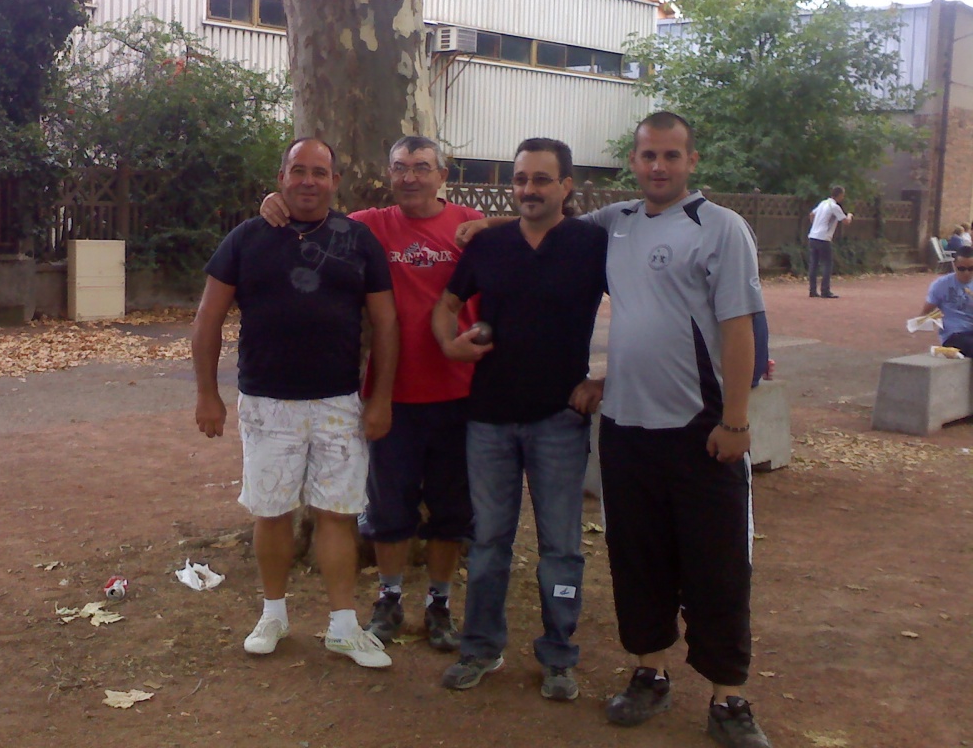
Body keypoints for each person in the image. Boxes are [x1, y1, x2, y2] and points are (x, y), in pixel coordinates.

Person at [575, 111, 771, 748]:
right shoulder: (617, 222)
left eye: (670, 155)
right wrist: (479, 224)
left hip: (702, 432)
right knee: (638, 561)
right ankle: (649, 673)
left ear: (691, 161)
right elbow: (545, 228)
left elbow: (738, 329)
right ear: (632, 161)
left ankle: (728, 697)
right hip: (627, 431)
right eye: (647, 155)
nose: (658, 166)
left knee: (718, 570)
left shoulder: (721, 227)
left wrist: (736, 421)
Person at [260, 135, 482, 651]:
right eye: (400, 167)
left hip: (461, 394)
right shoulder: (369, 226)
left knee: (451, 511)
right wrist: (272, 202)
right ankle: (389, 598)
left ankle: (440, 604)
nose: (410, 177)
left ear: (442, 175)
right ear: (389, 174)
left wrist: (495, 224)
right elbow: (309, 216)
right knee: (388, 510)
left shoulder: (470, 225)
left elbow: (532, 229)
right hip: (392, 396)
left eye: (422, 167)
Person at [191, 137, 400, 669]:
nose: (309, 181)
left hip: (339, 403)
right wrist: (207, 393)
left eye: (320, 172)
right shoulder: (246, 238)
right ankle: (273, 615)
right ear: (281, 177)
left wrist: (380, 399)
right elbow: (208, 318)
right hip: (267, 403)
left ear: (335, 181)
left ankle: (343, 627)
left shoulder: (358, 240)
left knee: (337, 514)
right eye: (298, 170)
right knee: (271, 511)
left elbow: (386, 323)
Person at [431, 138, 607, 703]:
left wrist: (606, 380)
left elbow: (638, 309)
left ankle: (559, 655)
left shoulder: (592, 245)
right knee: (487, 543)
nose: (529, 189)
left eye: (541, 179)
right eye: (521, 179)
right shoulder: (490, 244)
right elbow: (447, 306)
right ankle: (481, 648)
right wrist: (449, 344)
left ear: (566, 186)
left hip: (560, 419)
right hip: (488, 419)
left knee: (562, 547)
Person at [920, 246, 973, 356]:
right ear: (954, 265)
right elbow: (925, 314)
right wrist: (928, 320)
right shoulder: (941, 285)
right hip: (953, 335)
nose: (967, 273)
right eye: (961, 269)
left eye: (971, 268)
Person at [807, 186, 853, 298]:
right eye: (843, 195)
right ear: (840, 195)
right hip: (824, 238)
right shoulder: (834, 207)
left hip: (813, 236)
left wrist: (815, 225)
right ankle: (825, 290)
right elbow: (846, 222)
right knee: (827, 264)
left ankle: (812, 290)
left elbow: (812, 214)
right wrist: (850, 215)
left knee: (814, 264)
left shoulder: (823, 203)